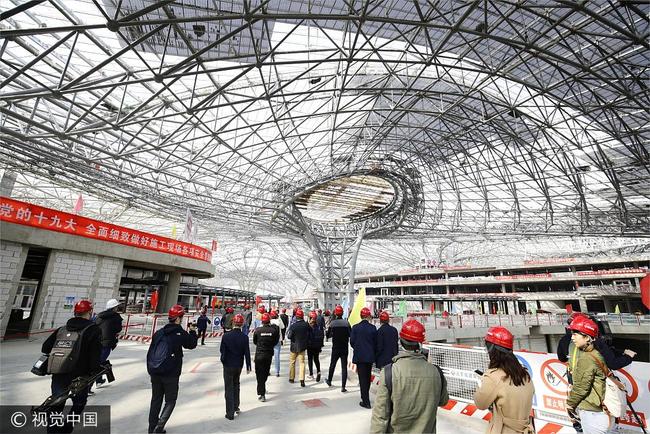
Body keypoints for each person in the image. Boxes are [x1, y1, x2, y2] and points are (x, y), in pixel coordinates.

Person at [370, 319, 448, 433]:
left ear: (401, 342)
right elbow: (443, 401)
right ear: (420, 344)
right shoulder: (436, 372)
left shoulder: (389, 372)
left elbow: (380, 416)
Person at [42, 299, 102, 434]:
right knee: (79, 403)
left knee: (57, 402)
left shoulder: (62, 329)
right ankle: (67, 427)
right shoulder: (93, 330)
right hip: (80, 375)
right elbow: (94, 358)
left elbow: (45, 347)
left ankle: (52, 431)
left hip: (59, 372)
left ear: (75, 313)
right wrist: (94, 371)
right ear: (90, 312)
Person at [147, 304, 198, 433]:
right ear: (178, 319)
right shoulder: (179, 333)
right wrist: (192, 331)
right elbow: (192, 344)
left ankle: (151, 427)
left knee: (156, 399)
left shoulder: (159, 332)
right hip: (170, 374)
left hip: (155, 371)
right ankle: (159, 427)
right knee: (170, 400)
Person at [473, 326, 535, 433]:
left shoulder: (493, 377)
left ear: (492, 350)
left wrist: (481, 385)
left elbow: (480, 404)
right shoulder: (525, 375)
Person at [566, 316, 612, 434]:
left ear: (587, 337)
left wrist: (570, 404)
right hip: (600, 412)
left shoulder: (586, 358)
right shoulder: (595, 353)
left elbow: (581, 387)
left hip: (592, 413)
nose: (572, 337)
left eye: (575, 334)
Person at [220, 314, 251, 420]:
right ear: (242, 324)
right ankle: (236, 406)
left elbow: (222, 351)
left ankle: (230, 413)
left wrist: (223, 360)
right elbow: (247, 352)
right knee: (236, 384)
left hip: (228, 365)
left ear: (233, 323)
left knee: (228, 387)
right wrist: (248, 366)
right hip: (238, 365)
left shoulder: (226, 336)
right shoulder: (244, 337)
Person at [350, 307, 378, 409]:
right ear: (368, 316)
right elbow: (375, 343)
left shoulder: (355, 328)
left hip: (360, 356)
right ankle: (366, 397)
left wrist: (358, 348)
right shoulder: (373, 328)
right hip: (370, 356)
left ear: (361, 316)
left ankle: (365, 401)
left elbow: (352, 342)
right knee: (367, 377)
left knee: (362, 378)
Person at [94, 298, 123, 386]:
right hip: (107, 342)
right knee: (100, 362)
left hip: (97, 341)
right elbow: (118, 329)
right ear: (114, 307)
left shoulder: (99, 316)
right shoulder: (116, 317)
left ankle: (98, 380)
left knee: (98, 361)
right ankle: (89, 385)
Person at [252, 313, 279, 402]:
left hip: (259, 354)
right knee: (265, 372)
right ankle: (262, 389)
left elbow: (255, 341)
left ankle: (262, 393)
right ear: (269, 320)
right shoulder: (273, 331)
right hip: (268, 354)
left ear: (262, 321)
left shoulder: (258, 330)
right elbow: (275, 341)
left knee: (259, 374)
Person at [326, 305, 351, 392]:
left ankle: (329, 380)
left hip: (335, 348)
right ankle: (343, 387)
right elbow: (350, 334)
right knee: (344, 367)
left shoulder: (332, 323)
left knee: (332, 364)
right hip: (344, 348)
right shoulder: (346, 323)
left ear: (336, 313)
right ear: (342, 313)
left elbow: (328, 335)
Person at [286, 308, 310, 387]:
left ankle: (292, 378)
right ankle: (302, 380)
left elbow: (289, 336)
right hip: (302, 347)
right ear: (303, 316)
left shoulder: (293, 326)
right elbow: (310, 333)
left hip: (293, 347)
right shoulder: (306, 325)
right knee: (302, 363)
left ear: (296, 317)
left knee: (292, 362)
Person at [307, 311, 324, 382]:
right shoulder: (319, 327)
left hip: (310, 346)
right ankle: (318, 372)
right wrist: (320, 346)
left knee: (310, 359)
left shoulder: (308, 327)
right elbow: (322, 336)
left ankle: (311, 374)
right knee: (316, 359)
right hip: (317, 346)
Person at [270, 310, 285, 377]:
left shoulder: (269, 321)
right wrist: (279, 318)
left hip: (270, 340)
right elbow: (283, 327)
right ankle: (277, 372)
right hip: (277, 340)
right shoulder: (278, 321)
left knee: (269, 356)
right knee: (277, 356)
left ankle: (268, 370)